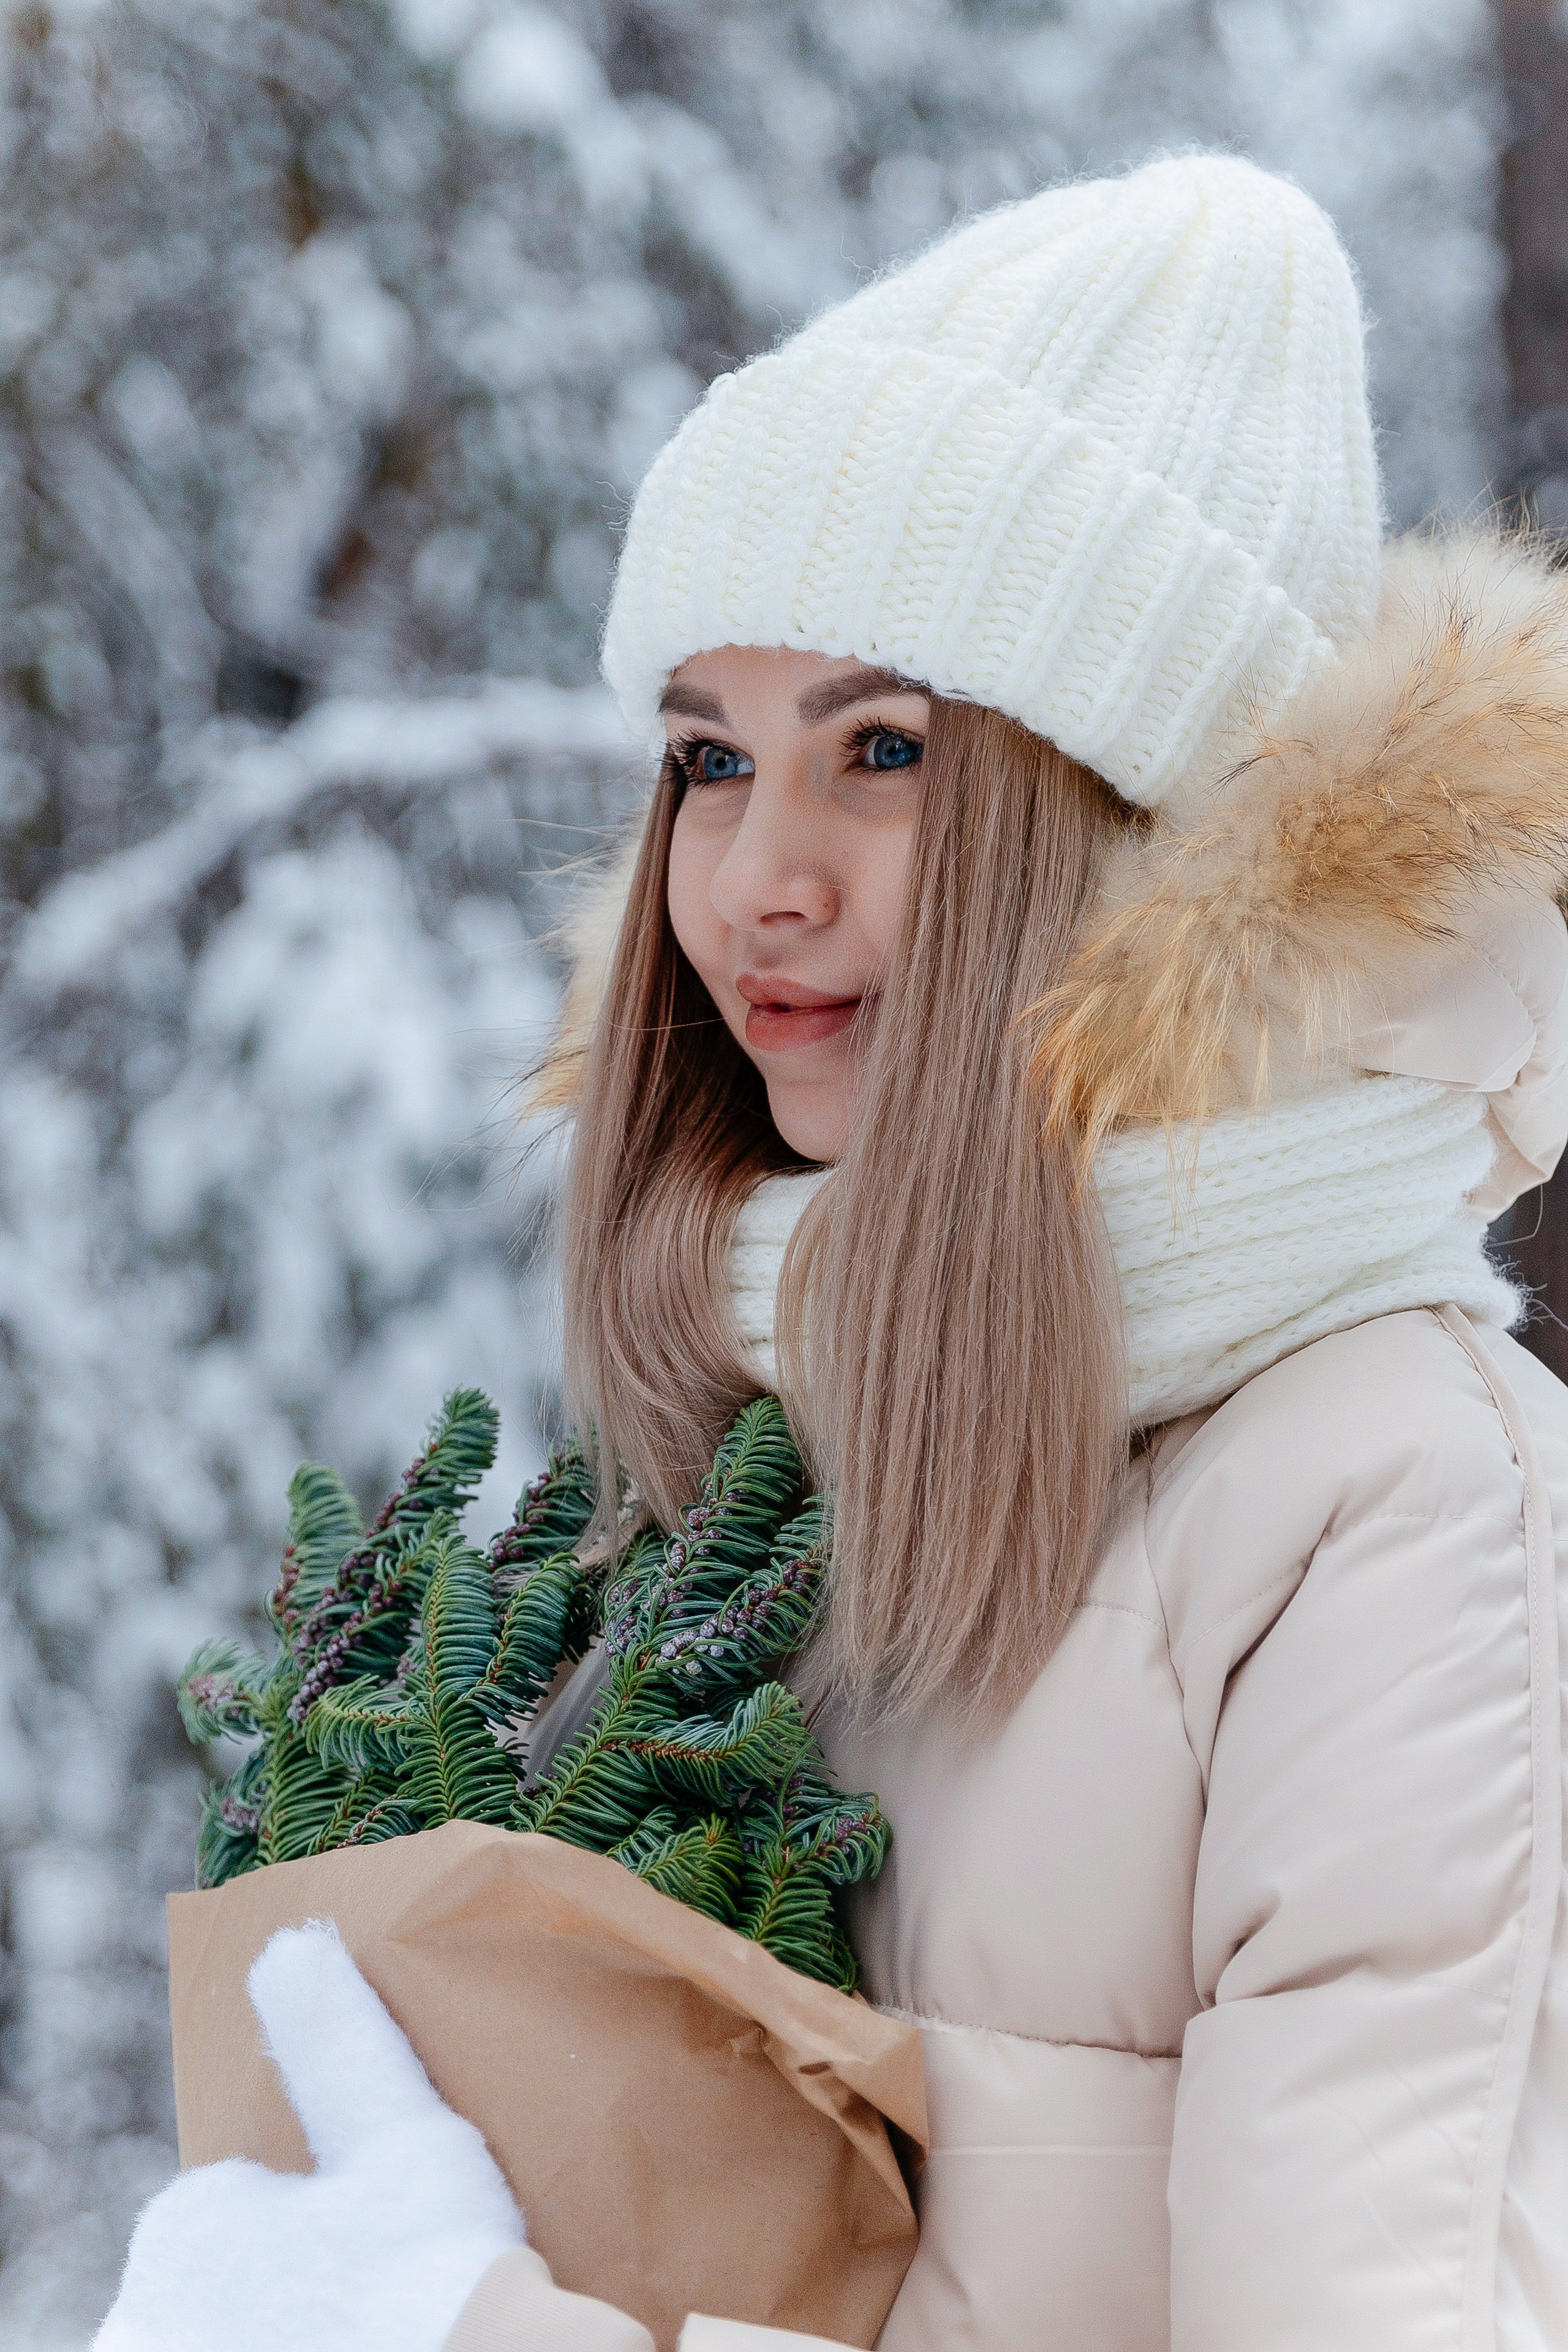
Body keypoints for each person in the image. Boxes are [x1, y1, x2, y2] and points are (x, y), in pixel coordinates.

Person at [97, 152, 1568, 2352]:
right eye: (707, 756)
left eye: (881, 749)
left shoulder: (1400, 1509)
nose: (754, 883)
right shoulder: (748, 1442)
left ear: (1118, 822)